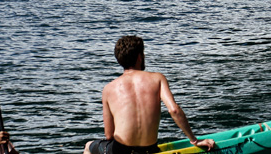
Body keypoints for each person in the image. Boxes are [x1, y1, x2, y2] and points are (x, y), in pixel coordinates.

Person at [84, 36, 215, 154]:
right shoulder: (157, 79)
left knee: (89, 146)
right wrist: (195, 140)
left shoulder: (108, 89)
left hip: (121, 150)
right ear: (140, 57)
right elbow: (174, 110)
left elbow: (109, 136)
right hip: (149, 150)